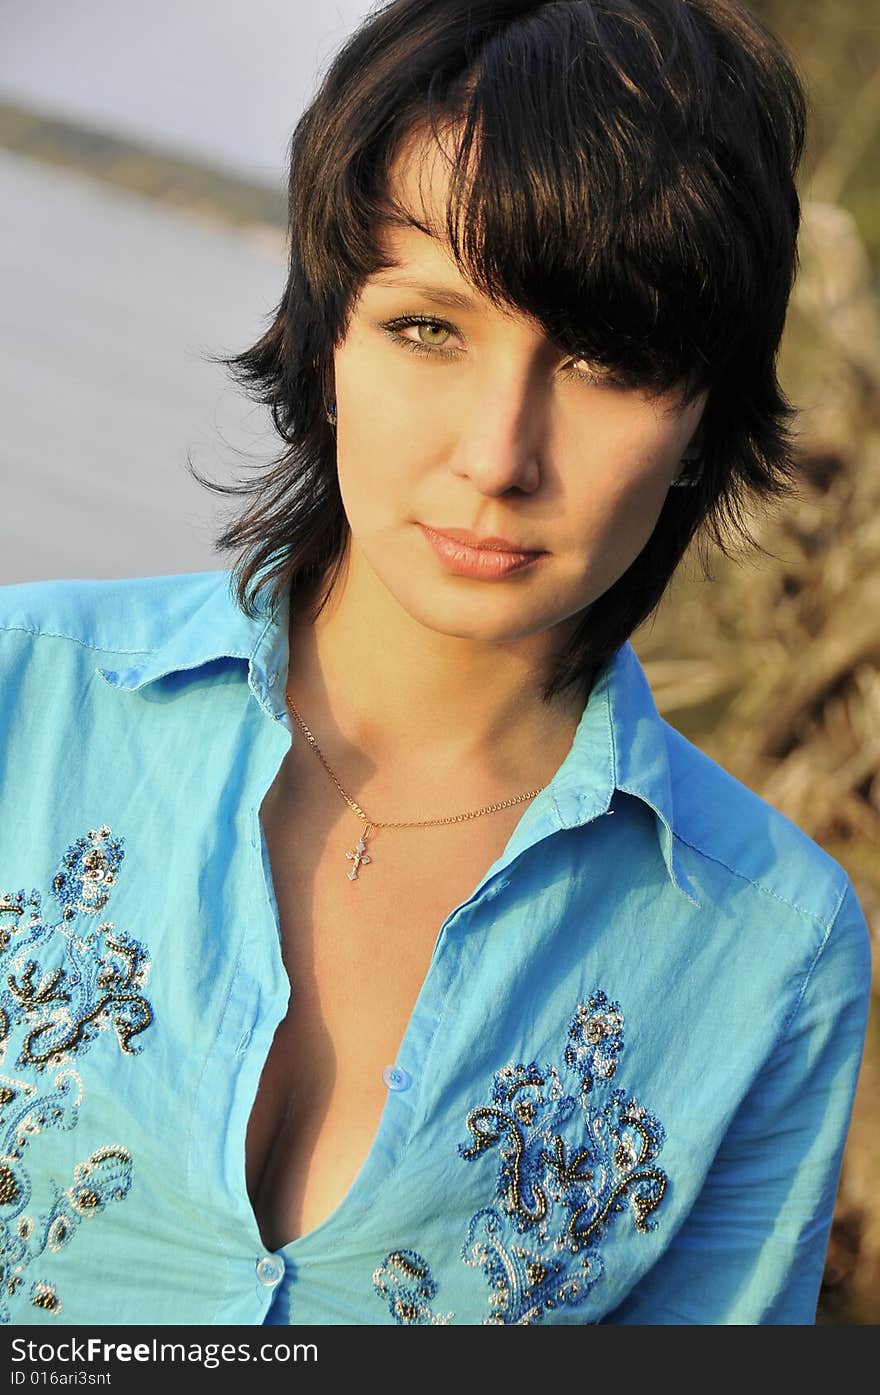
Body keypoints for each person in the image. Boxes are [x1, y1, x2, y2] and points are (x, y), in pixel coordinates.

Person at [0, 0, 871, 1328]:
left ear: (703, 419)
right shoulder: (23, 701)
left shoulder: (773, 946)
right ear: (330, 339)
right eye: (429, 329)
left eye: (603, 360)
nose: (496, 455)